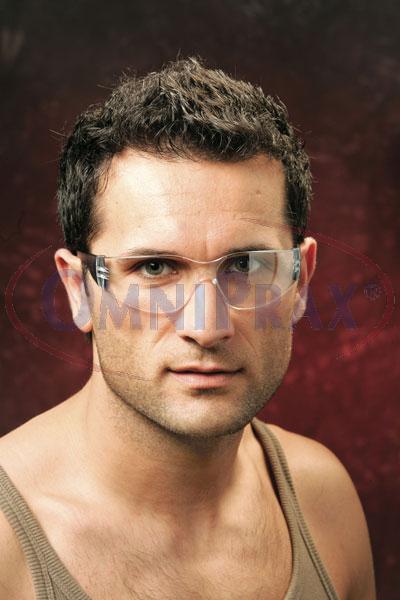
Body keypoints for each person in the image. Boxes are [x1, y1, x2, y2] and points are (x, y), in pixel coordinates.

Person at [0, 57, 376, 600]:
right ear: (79, 289)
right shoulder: (7, 542)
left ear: (300, 281)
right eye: (155, 267)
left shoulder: (324, 500)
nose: (207, 327)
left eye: (245, 265)